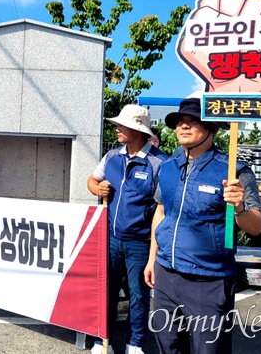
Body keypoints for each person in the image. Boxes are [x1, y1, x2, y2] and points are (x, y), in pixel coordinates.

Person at [143, 98, 261, 354]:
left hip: (208, 279)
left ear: (213, 129)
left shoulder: (234, 171)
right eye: (179, 122)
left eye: (192, 121)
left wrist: (239, 207)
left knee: (208, 349)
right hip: (166, 273)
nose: (183, 127)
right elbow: (161, 212)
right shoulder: (167, 168)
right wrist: (152, 258)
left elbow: (256, 227)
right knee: (168, 345)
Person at [87, 104, 168, 354]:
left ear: (138, 130)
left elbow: (162, 209)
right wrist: (96, 189)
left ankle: (136, 344)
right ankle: (104, 341)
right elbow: (92, 180)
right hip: (109, 238)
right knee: (105, 292)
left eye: (122, 125)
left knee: (139, 297)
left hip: (141, 243)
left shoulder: (160, 163)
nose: (117, 129)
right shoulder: (112, 156)